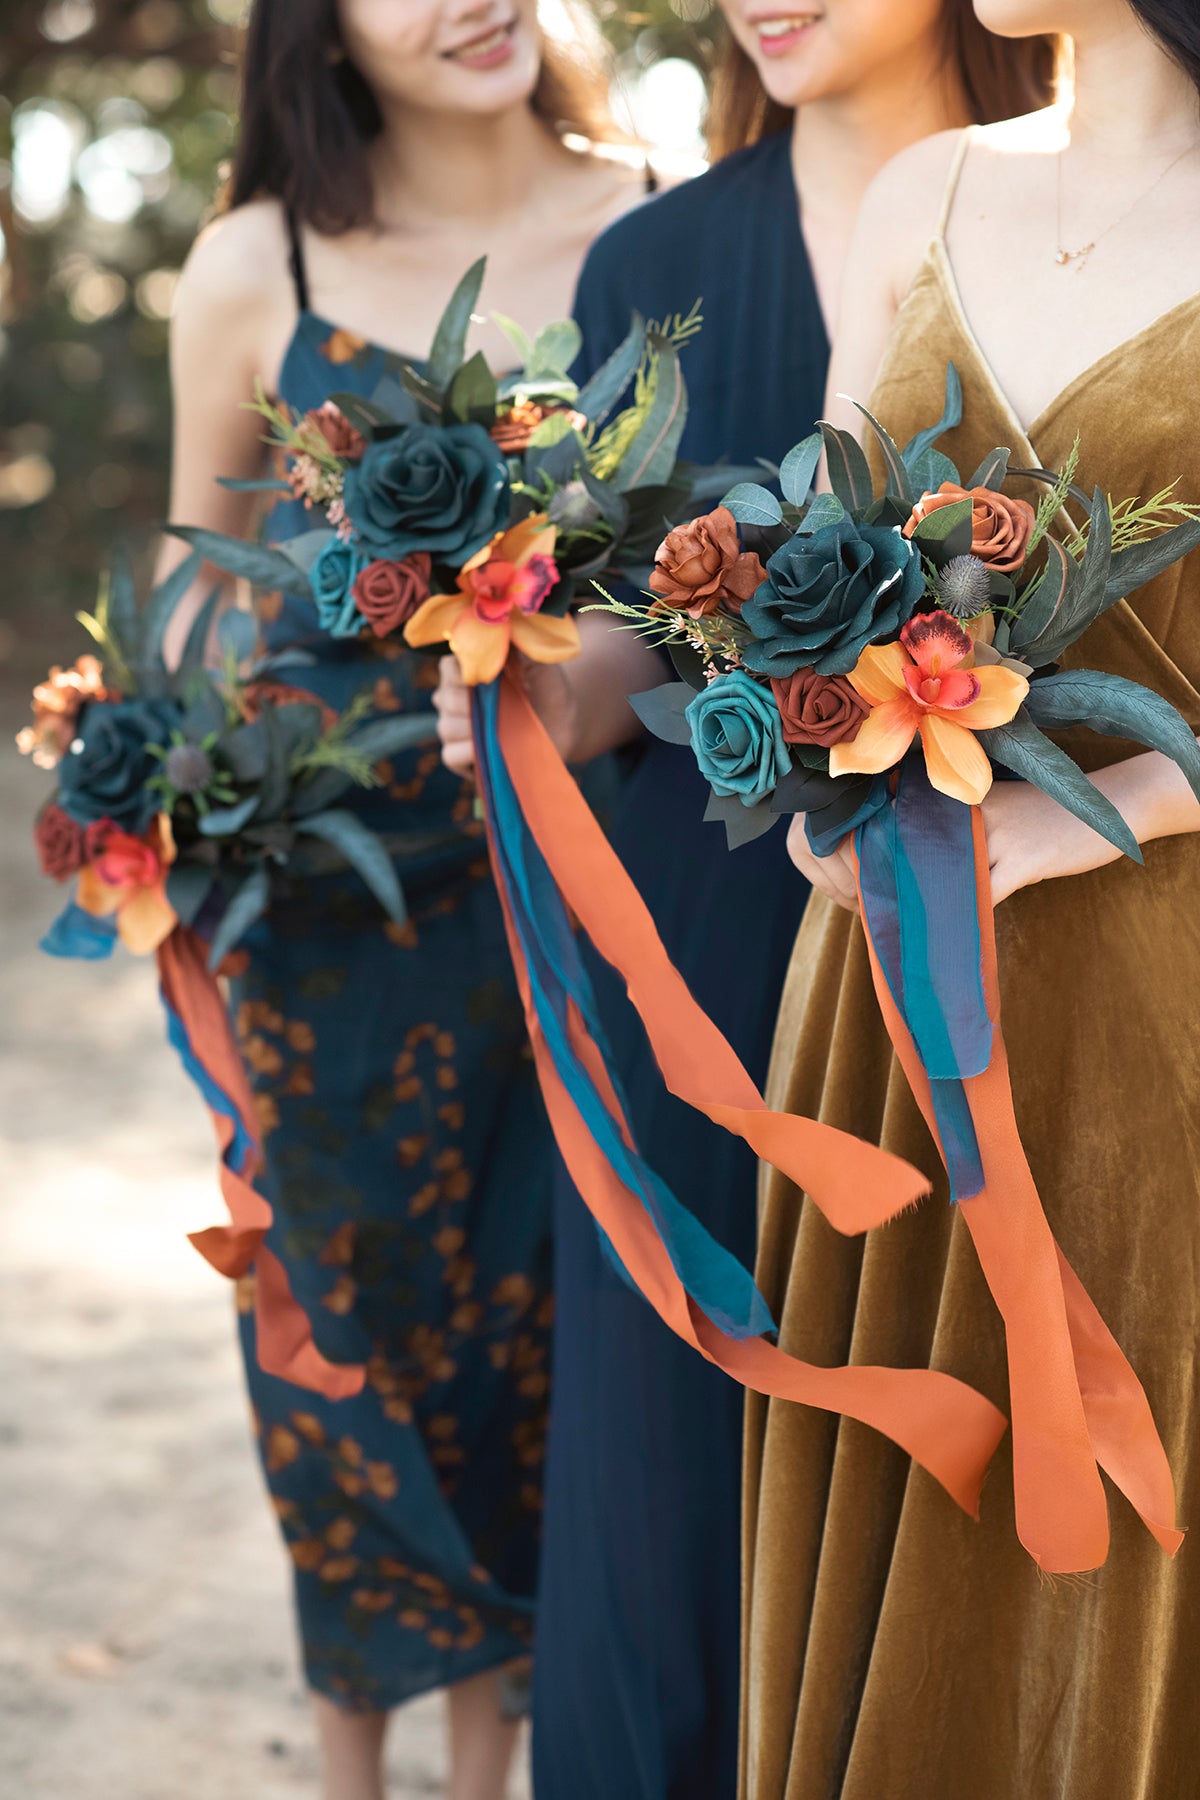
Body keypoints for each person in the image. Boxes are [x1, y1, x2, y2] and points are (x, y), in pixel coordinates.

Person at [433, 7, 1054, 1796]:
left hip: (1003, 931)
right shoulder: (661, 257)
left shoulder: (1078, 215)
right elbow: (631, 623)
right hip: (695, 958)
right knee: (666, 1479)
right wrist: (534, 692)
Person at [159, 5, 656, 1797]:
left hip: (588, 887)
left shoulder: (665, 221)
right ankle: (354, 1775)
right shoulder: (254, 263)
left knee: (545, 1338)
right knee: (338, 1340)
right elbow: (193, 568)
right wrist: (147, 771)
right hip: (315, 907)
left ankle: (494, 1770)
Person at [745, 3, 1200, 1795]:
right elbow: (814, 562)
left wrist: (1100, 819)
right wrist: (801, 774)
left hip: (1158, 1008)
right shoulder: (921, 189)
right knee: (895, 1518)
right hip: (879, 983)